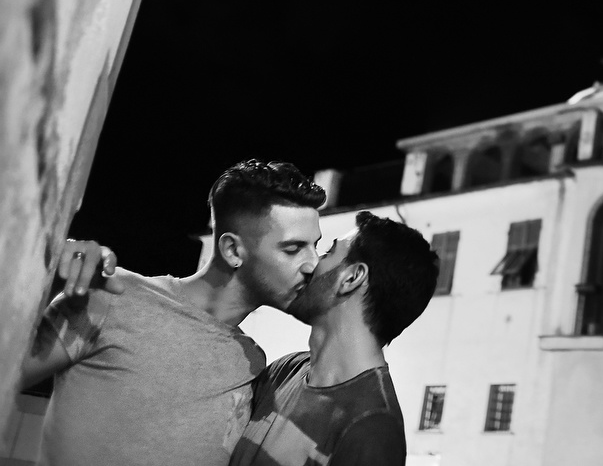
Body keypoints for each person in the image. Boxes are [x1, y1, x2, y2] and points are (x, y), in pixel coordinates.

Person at [21, 159, 327, 466]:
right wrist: (35, 272)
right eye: (293, 248)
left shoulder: (251, 363)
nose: (313, 264)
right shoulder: (111, 297)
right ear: (233, 250)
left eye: (315, 245)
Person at [230, 210, 440, 466]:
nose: (311, 264)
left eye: (328, 253)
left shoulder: (371, 429)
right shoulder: (284, 372)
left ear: (351, 278)